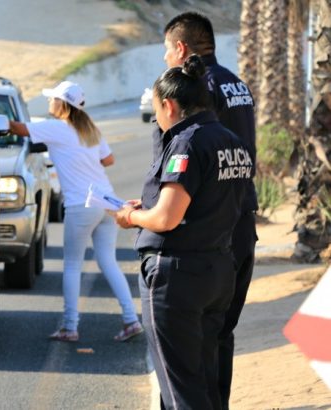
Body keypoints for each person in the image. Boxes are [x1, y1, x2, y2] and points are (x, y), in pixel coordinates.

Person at [112, 55, 252, 408]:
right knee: (205, 383)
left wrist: (132, 217)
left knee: (181, 392)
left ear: (170, 105)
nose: (157, 119)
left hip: (179, 278)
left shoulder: (187, 143)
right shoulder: (232, 140)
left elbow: (167, 218)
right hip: (218, 269)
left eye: (158, 110)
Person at [0, 80, 142, 343]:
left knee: (72, 265)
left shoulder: (56, 128)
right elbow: (108, 159)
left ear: (62, 104)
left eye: (52, 99)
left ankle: (70, 327)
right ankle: (131, 320)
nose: (49, 102)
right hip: (107, 203)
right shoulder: (89, 129)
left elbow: (13, 127)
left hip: (80, 205)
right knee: (108, 262)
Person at [161, 12, 258, 407]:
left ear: (182, 49)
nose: (165, 58)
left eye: (167, 49)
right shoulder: (237, 83)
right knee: (221, 331)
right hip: (242, 217)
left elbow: (200, 153)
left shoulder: (199, 88)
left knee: (195, 335)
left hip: (212, 227)